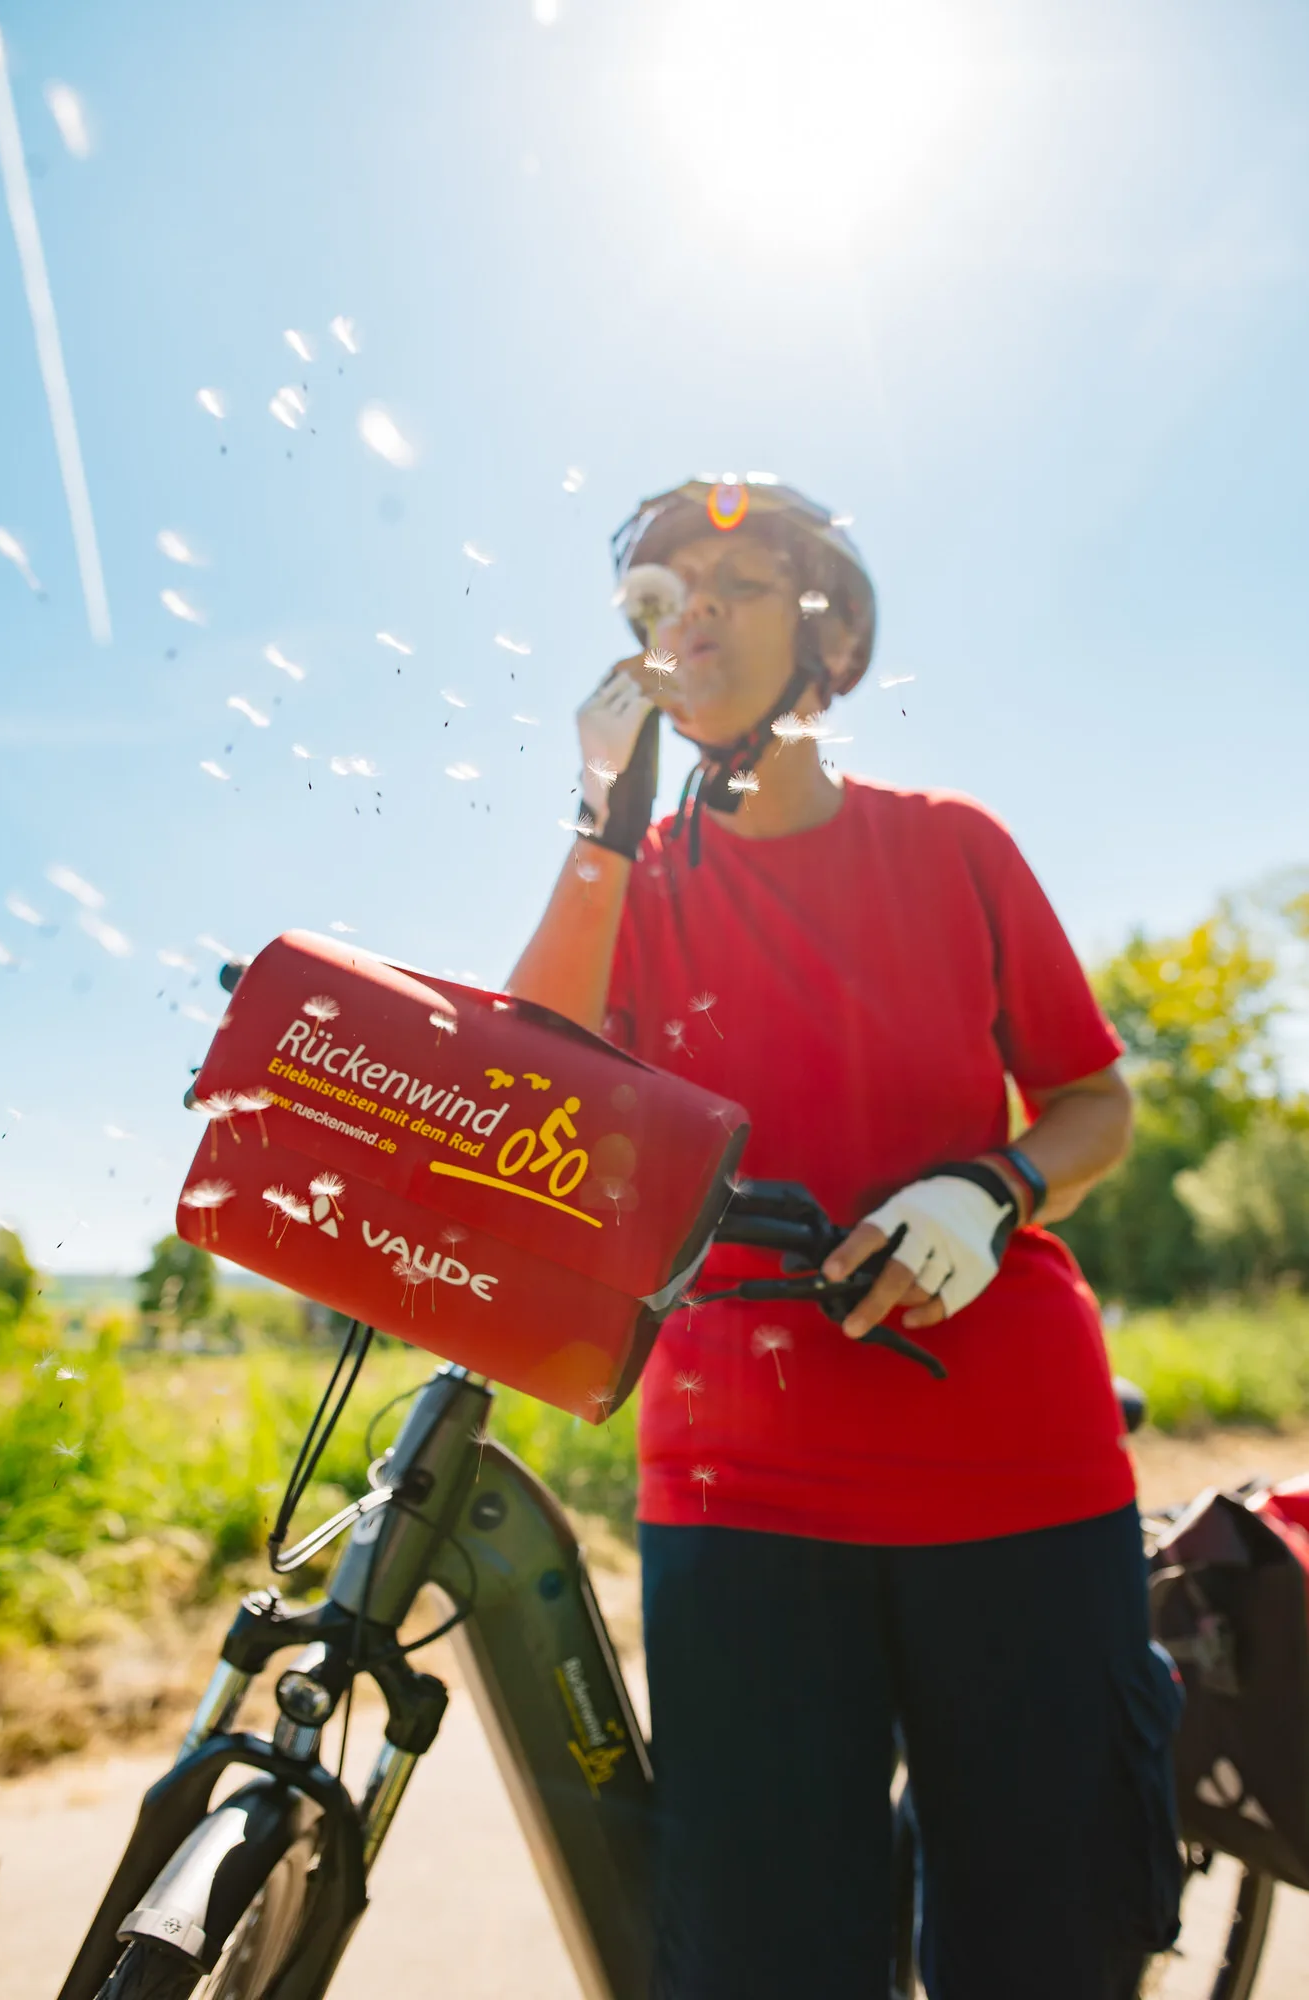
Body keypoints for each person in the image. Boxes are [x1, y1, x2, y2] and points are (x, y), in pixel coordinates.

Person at [508, 478, 1183, 2000]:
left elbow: (1091, 1101)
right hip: (737, 1483)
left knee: (1045, 1949)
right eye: (652, 600)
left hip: (1011, 1465)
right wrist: (596, 824)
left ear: (824, 635)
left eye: (732, 586)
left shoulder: (951, 846)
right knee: (764, 1962)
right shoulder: (633, 882)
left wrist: (993, 1187)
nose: (685, 618)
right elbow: (531, 1085)